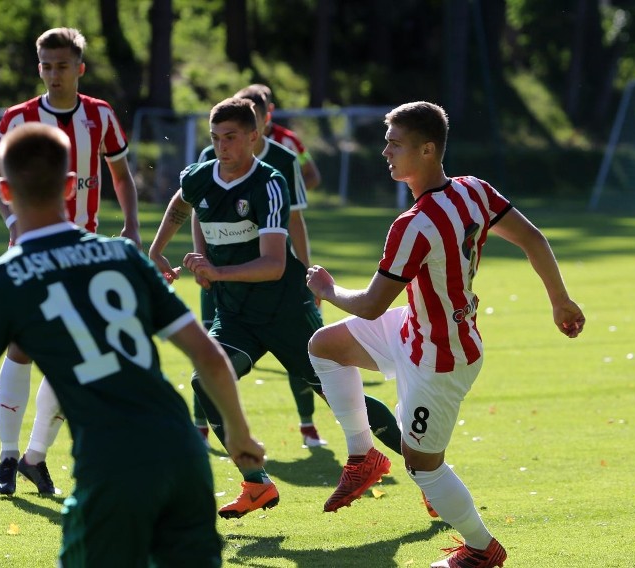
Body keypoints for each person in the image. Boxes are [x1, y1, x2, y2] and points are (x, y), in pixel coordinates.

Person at [0, 122, 265, 567]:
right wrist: (240, 435)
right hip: (183, 454)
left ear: (4, 191)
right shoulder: (124, 256)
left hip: (113, 468)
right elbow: (208, 354)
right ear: (71, 187)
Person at [306, 101, 585, 568]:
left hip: (441, 360)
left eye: (395, 143)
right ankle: (364, 458)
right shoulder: (474, 190)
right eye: (387, 142)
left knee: (421, 466)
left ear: (428, 149)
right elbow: (533, 238)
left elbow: (374, 304)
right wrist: (560, 300)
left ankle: (482, 549)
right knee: (325, 347)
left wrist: (327, 289)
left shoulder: (413, 225)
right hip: (417, 330)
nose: (386, 152)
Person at [148, 97, 401, 519]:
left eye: (231, 137)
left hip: (285, 311)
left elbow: (273, 264)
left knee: (337, 396)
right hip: (234, 314)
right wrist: (158, 250)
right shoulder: (200, 176)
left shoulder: (269, 182)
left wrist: (213, 269)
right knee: (205, 381)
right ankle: (255, 484)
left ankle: (424, 467)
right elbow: (183, 203)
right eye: (215, 138)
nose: (222, 146)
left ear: (254, 137)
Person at [0, 27, 141, 496]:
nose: (54, 74)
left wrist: (132, 228)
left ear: (79, 68)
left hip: (84, 252)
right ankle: (8, 458)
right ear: (39, 69)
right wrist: (15, 225)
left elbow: (121, 176)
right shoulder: (19, 118)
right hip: (34, 250)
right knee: (23, 347)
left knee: (79, 357)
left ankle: (35, 457)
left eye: (63, 65)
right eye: (47, 66)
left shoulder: (100, 116)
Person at [190, 84, 325, 450]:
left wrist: (306, 269)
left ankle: (309, 426)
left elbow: (295, 218)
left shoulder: (284, 157)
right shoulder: (210, 157)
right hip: (222, 280)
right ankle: (200, 429)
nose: (222, 145)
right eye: (218, 137)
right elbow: (192, 207)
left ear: (264, 120)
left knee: (308, 359)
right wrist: (197, 257)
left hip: (269, 281)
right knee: (207, 359)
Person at [254, 83, 322, 192]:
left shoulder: (289, 139)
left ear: (269, 110)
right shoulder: (234, 140)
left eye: (257, 112)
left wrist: (284, 194)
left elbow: (313, 177)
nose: (252, 117)